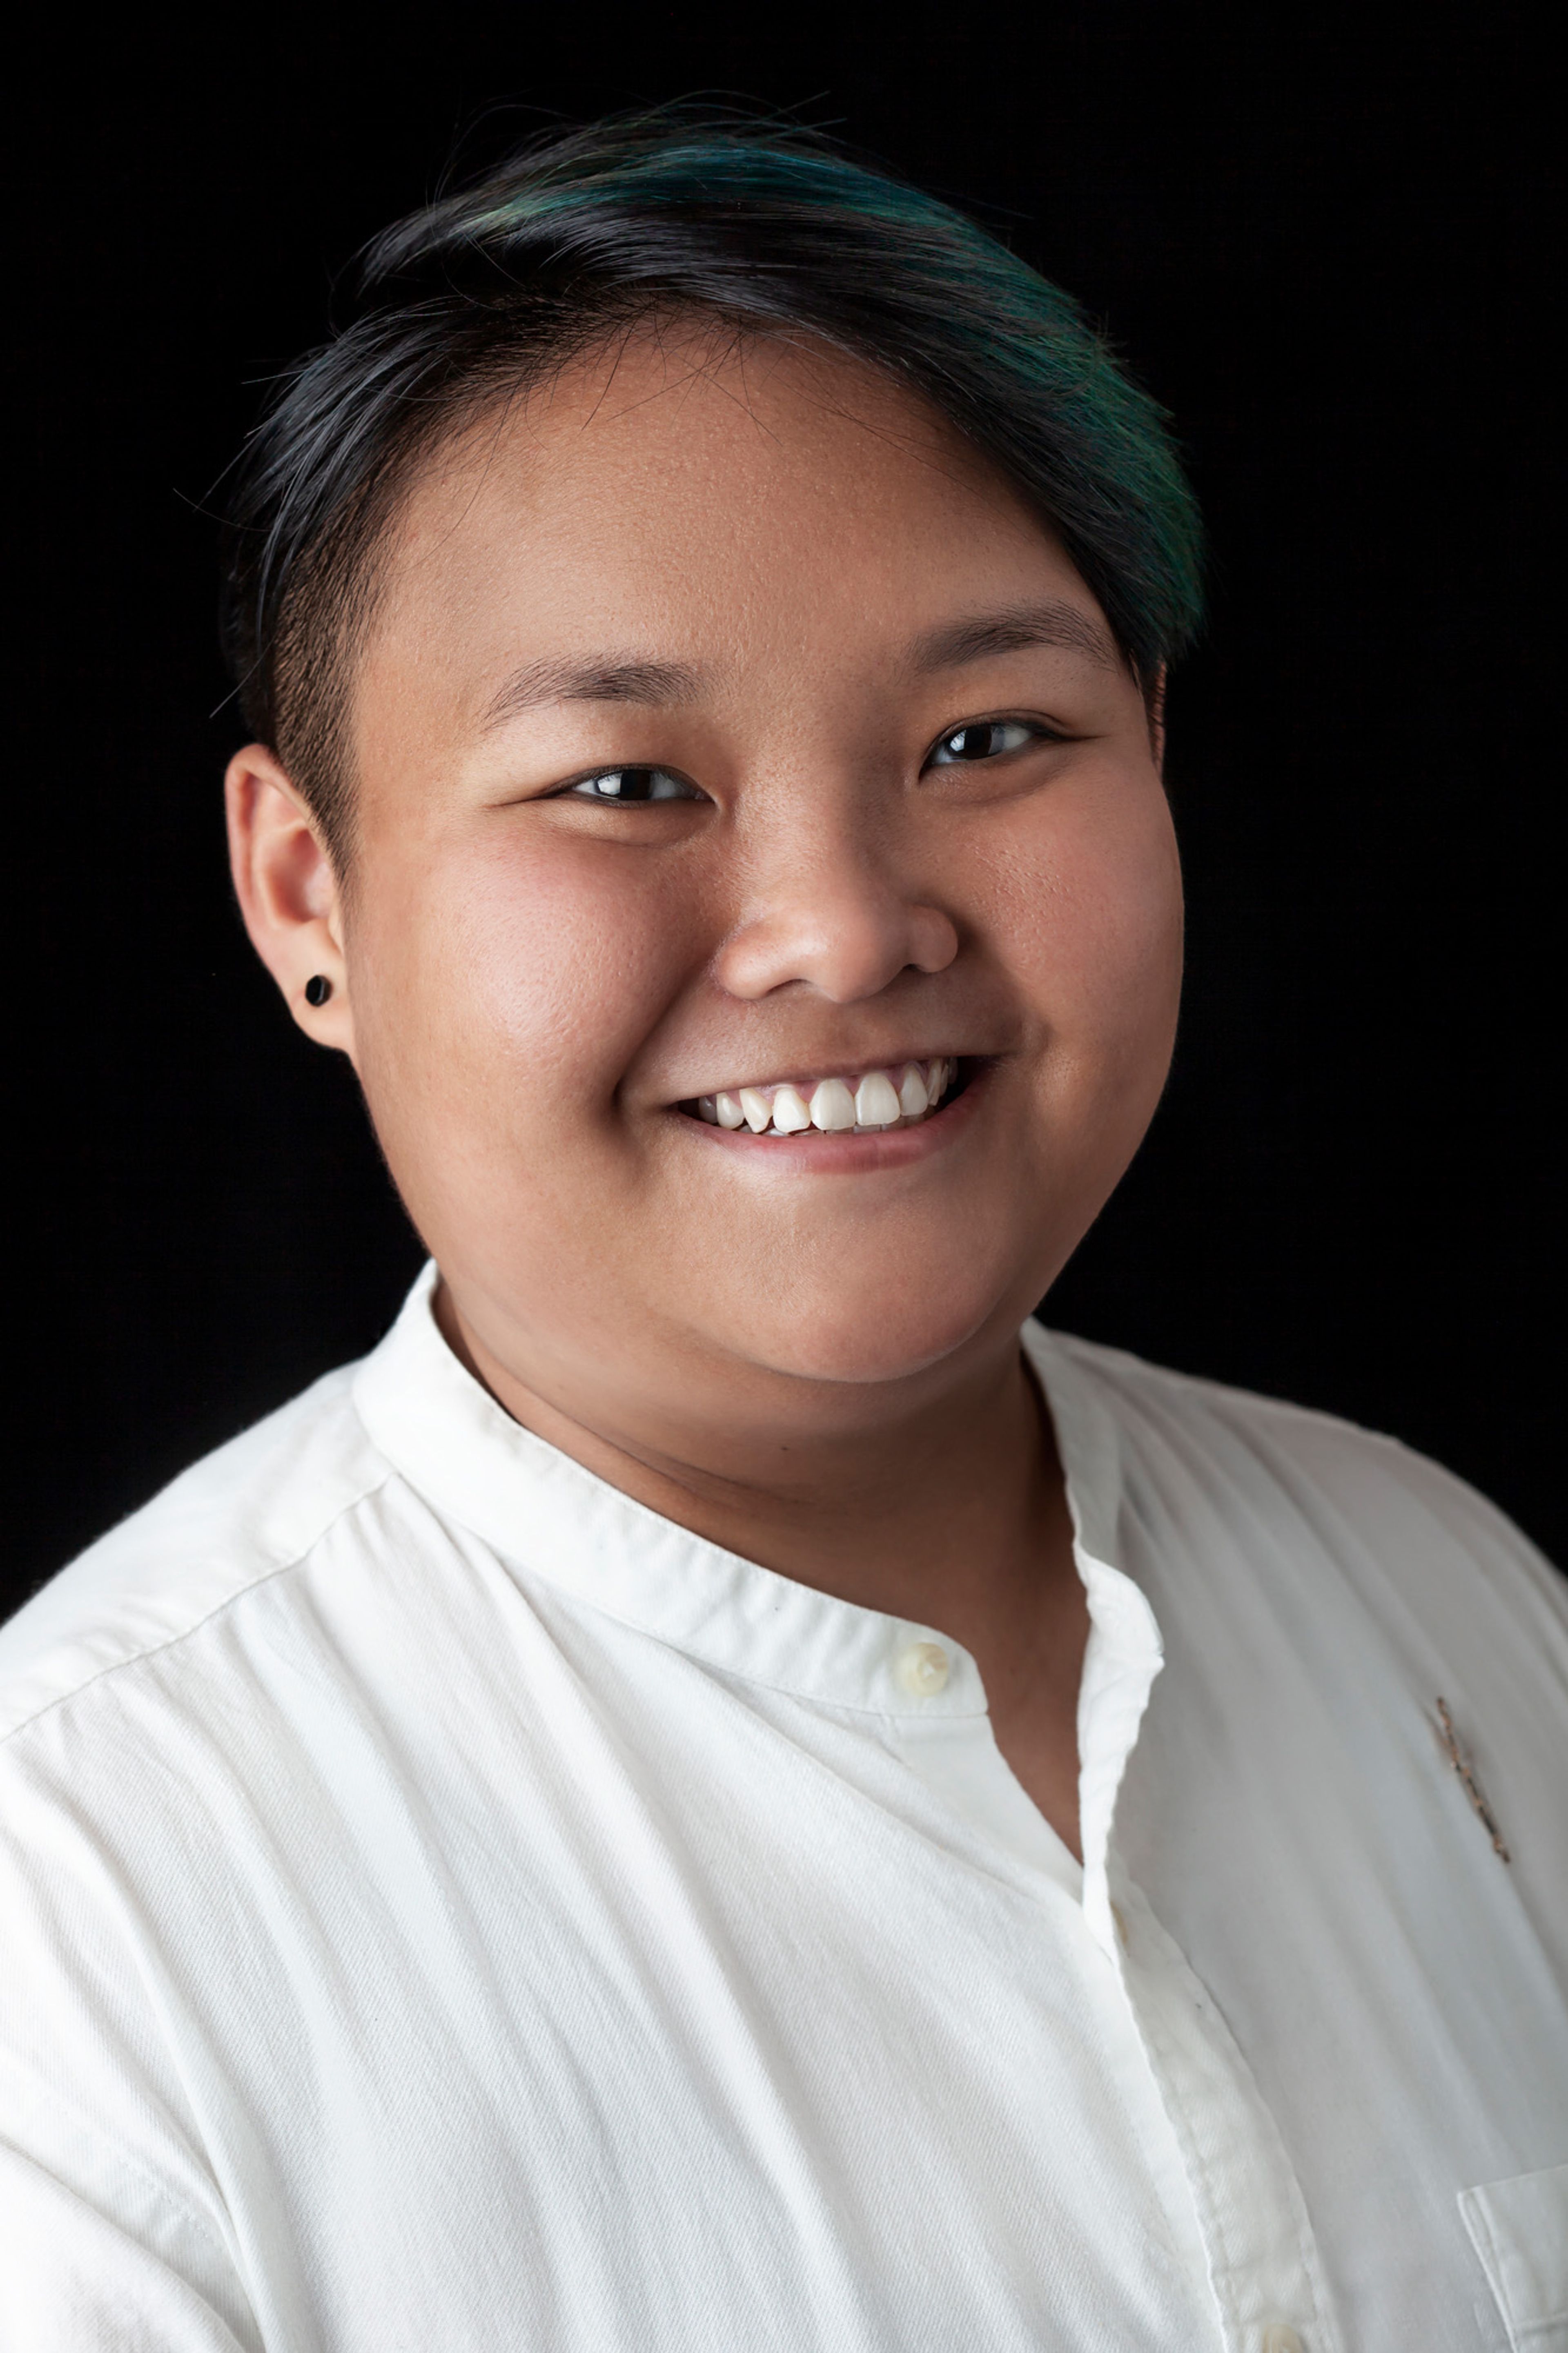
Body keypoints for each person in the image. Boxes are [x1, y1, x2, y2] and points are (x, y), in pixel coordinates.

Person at [1, 112, 1563, 2353]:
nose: (843, 931)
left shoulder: (1449, 1602)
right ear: (304, 892)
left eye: (992, 733)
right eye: (627, 781)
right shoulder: (79, 1926)